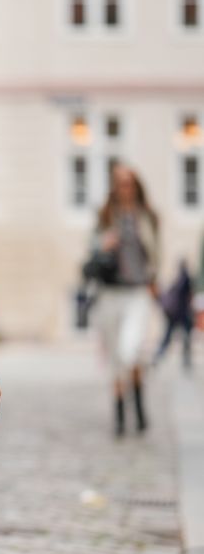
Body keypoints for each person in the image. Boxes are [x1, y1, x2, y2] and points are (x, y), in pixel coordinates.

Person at [91, 164, 159, 436]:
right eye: (119, 183)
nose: (124, 188)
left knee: (130, 350)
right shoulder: (106, 216)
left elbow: (155, 253)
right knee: (116, 357)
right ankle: (122, 414)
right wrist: (103, 243)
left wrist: (155, 282)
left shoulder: (147, 216)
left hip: (137, 292)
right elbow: (91, 250)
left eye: (129, 183)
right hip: (110, 292)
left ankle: (138, 403)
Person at [153, 260, 193, 369]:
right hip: (181, 313)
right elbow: (188, 296)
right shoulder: (185, 279)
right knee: (182, 337)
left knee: (169, 337)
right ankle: (185, 360)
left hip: (175, 314)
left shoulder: (178, 279)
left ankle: (159, 356)